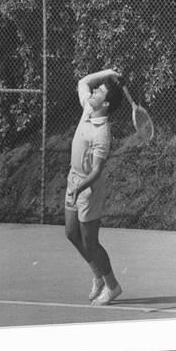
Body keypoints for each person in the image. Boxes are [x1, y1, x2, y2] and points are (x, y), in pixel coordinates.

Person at [65, 68, 124, 305]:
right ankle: (97, 274)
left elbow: (97, 171)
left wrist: (80, 188)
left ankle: (112, 286)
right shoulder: (88, 108)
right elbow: (83, 80)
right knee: (71, 233)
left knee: (91, 241)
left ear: (106, 103)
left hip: (89, 188)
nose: (94, 90)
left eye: (100, 91)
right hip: (74, 179)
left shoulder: (103, 133)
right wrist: (108, 72)